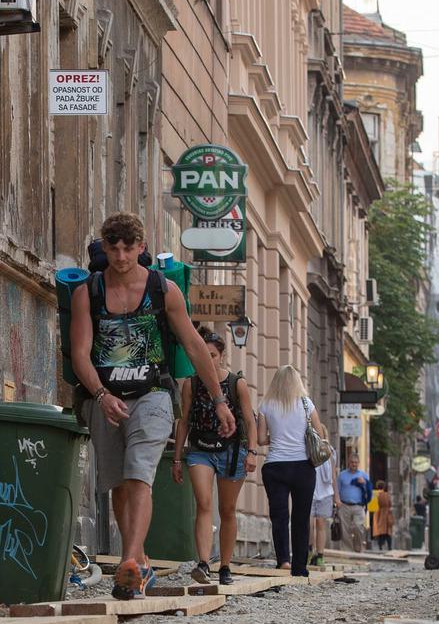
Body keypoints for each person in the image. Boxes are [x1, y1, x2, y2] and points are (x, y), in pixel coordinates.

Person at [69, 213, 232, 599]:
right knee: (119, 486)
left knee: (140, 472)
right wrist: (100, 395)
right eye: (114, 248)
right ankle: (139, 562)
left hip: (153, 394)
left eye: (129, 247)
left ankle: (127, 562)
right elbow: (80, 354)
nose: (121, 256)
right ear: (105, 248)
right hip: (104, 397)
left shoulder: (163, 289)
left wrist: (219, 399)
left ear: (141, 248)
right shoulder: (87, 292)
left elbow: (194, 346)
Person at [171, 328, 255, 585]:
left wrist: (251, 452)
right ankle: (204, 563)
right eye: (203, 356)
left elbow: (250, 421)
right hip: (200, 450)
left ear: (222, 356)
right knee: (204, 504)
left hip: (231, 452)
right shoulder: (191, 384)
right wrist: (176, 457)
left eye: (212, 355)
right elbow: (183, 421)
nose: (208, 360)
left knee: (227, 509)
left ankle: (226, 566)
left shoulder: (236, 383)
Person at [257, 366, 324, 577]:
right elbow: (319, 432)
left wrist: (277, 437)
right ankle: (300, 567)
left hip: (275, 466)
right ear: (297, 382)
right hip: (303, 467)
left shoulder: (265, 405)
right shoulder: (306, 404)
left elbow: (260, 440)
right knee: (301, 518)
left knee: (279, 516)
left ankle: (283, 560)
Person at [336, 453, 373, 553]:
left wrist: (364, 483)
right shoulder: (342, 475)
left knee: (358, 527)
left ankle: (358, 548)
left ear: (359, 463)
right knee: (345, 529)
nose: (354, 464)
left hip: (358, 506)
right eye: (352, 462)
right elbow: (336, 490)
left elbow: (369, 491)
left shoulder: (363, 475)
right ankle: (348, 550)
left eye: (356, 462)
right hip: (344, 505)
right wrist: (337, 501)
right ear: (349, 462)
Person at [309, 457, 335, 568]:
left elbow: (333, 474)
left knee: (321, 524)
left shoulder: (329, 450)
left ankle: (320, 555)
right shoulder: (307, 445)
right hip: (309, 490)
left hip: (325, 493)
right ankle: (309, 551)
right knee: (308, 524)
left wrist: (337, 497)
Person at [371, 484, 394, 550]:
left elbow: (373, 504)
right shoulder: (387, 495)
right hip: (386, 514)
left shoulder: (376, 494)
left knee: (380, 532)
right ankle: (389, 547)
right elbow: (390, 504)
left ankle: (380, 547)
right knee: (388, 532)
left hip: (379, 514)